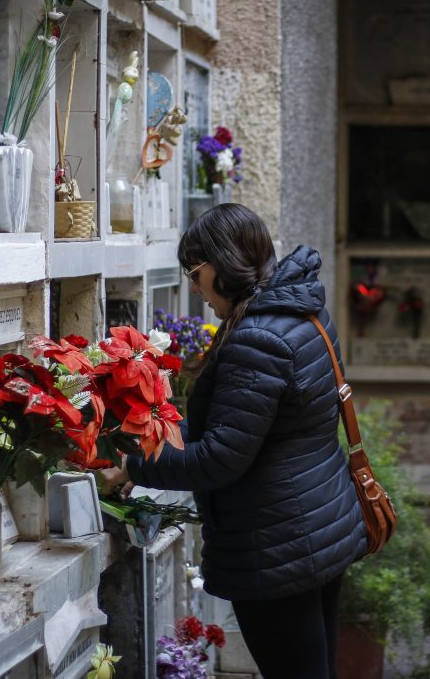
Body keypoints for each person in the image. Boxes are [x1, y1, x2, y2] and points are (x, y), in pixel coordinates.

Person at [100, 203, 367, 679]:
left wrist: (134, 466)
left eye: (194, 271)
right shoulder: (302, 313)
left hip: (278, 545)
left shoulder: (257, 338)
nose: (193, 287)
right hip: (317, 525)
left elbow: (221, 458)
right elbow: (262, 431)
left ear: (219, 266)